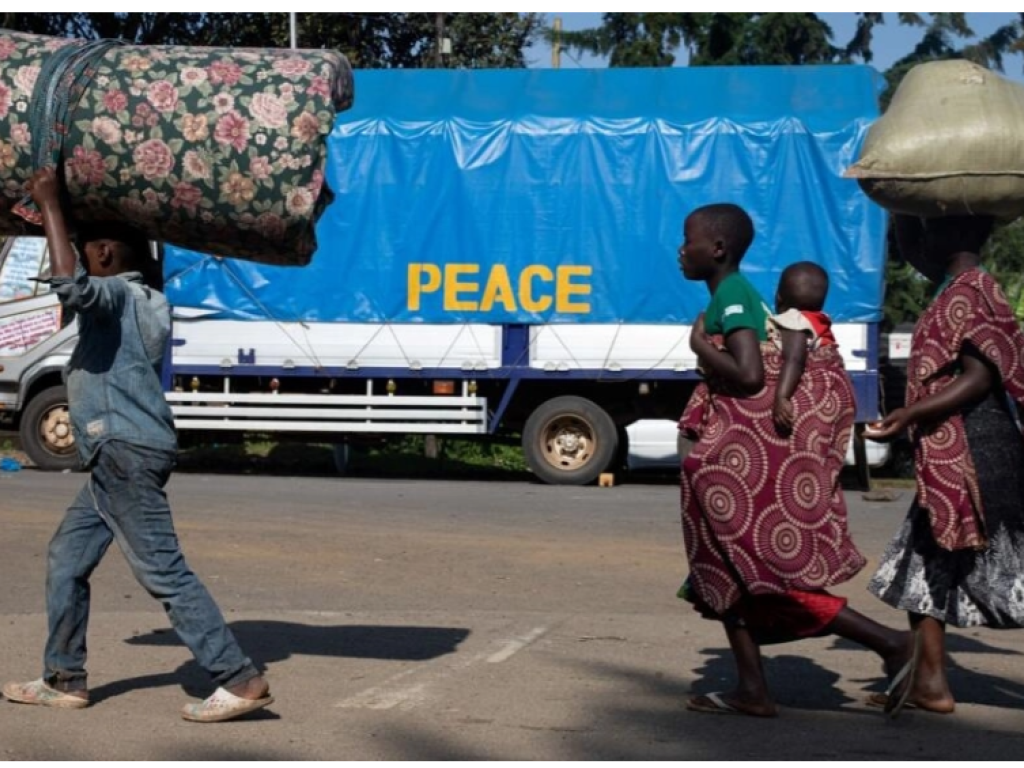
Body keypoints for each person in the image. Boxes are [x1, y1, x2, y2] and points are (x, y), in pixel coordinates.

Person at [2, 167, 273, 723]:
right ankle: (64, 676)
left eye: (83, 249)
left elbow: (71, 287)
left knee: (162, 570)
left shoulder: (118, 297)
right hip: (118, 455)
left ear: (102, 254)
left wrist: (50, 203)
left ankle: (239, 678)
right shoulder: (148, 297)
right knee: (66, 559)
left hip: (123, 454)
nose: (76, 256)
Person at [676, 203, 911, 718]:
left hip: (737, 462)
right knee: (723, 574)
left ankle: (891, 643)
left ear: (716, 249)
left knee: (760, 576)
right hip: (732, 458)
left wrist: (699, 345)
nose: (679, 249)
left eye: (687, 239)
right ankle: (752, 689)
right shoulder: (727, 293)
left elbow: (750, 375)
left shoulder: (734, 296)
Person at [865, 214, 1024, 716]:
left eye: (922, 232)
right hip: (950, 451)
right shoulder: (953, 287)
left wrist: (911, 412)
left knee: (1005, 568)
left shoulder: (974, 290)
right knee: (921, 563)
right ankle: (929, 684)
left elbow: (979, 376)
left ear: (945, 235)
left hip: (978, 451)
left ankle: (930, 682)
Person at [770, 261, 837, 431]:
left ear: (778, 297)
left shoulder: (793, 319)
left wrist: (782, 397)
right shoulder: (820, 321)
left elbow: (794, 358)